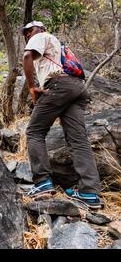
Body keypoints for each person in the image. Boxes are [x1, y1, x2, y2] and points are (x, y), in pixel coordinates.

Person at [22, 20, 102, 209]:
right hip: (77, 88)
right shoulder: (58, 45)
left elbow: (27, 57)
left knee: (34, 131)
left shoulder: (41, 37)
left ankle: (42, 182)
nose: (28, 35)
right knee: (78, 140)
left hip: (59, 86)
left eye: (29, 31)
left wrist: (32, 87)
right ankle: (89, 193)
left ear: (40, 29)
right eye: (26, 33)